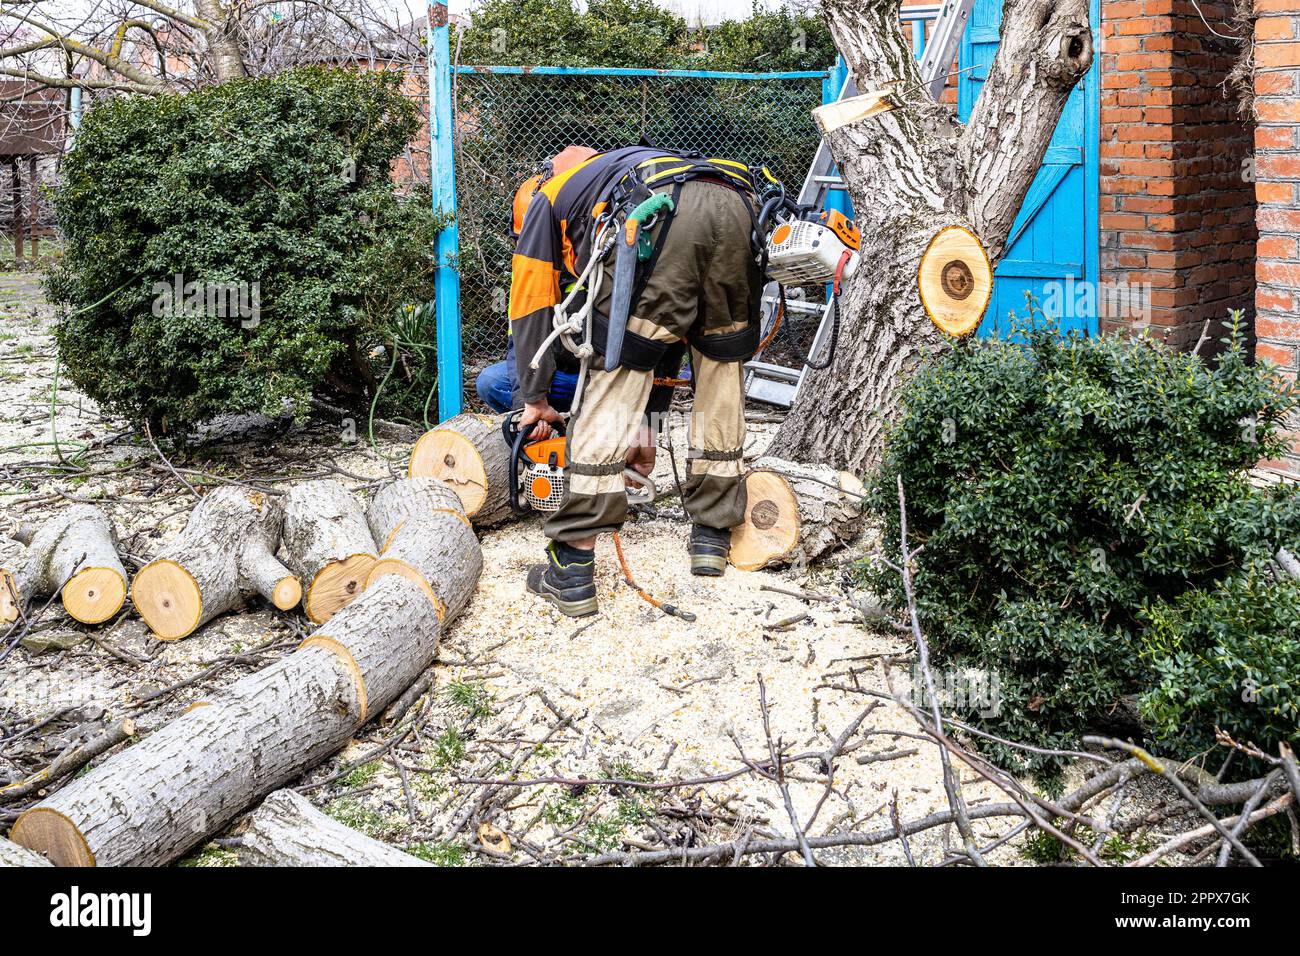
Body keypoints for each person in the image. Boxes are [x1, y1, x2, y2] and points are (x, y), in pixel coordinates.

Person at [509, 143, 763, 617]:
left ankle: (573, 565)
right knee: (720, 371)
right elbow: (667, 340)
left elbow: (530, 304)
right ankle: (711, 535)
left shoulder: (544, 198)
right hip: (738, 203)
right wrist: (647, 429)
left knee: (616, 369)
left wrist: (534, 396)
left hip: (661, 218)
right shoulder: (630, 168)